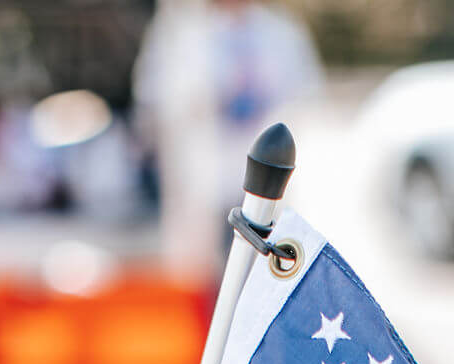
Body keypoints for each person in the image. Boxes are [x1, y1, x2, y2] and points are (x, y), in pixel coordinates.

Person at [133, 0, 323, 282]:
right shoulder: (181, 34)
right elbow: (156, 100)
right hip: (206, 182)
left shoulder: (281, 32)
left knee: (259, 278)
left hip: (265, 182)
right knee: (208, 280)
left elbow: (304, 96)